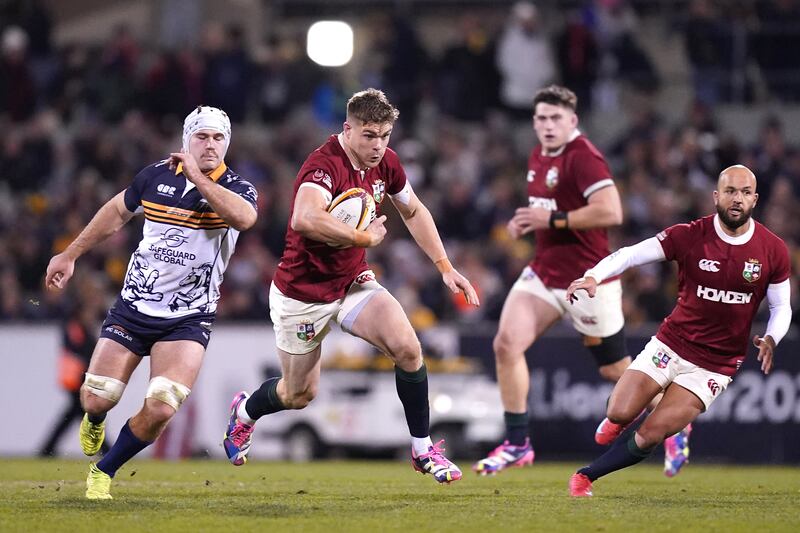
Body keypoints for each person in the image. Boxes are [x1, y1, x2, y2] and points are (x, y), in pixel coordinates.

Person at [222, 88, 479, 484]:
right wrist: (364, 239)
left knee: (409, 350)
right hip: (302, 293)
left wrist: (445, 266)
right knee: (298, 395)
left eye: (385, 136)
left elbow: (413, 210)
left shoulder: (387, 163)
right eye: (369, 135)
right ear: (348, 128)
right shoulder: (322, 166)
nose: (378, 146)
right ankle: (245, 412)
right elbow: (304, 218)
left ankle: (422, 449)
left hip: (353, 282)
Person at [44, 106, 258, 499]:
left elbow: (244, 219)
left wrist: (198, 178)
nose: (210, 144)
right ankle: (95, 419)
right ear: (186, 139)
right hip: (134, 307)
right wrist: (70, 254)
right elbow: (115, 213)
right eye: (202, 137)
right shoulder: (154, 176)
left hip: (188, 319)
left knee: (162, 407)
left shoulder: (237, 188)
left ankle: (103, 470)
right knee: (97, 396)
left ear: (227, 143)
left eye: (218, 138)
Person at [566, 165, 792, 497]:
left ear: (754, 200)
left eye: (745, 193)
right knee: (618, 409)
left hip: (715, 364)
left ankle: (585, 477)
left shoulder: (773, 250)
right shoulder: (689, 235)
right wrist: (593, 276)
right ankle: (617, 419)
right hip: (672, 344)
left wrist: (773, 337)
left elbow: (781, 307)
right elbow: (631, 255)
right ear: (716, 196)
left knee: (651, 432)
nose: (737, 199)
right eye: (730, 191)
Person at [473, 84, 631, 475]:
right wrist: (525, 220)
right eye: (541, 118)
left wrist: (552, 220)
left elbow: (611, 211)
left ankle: (675, 413)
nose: (547, 125)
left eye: (556, 118)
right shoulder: (538, 155)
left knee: (615, 372)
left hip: (587, 281)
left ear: (572, 121)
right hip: (544, 274)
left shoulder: (584, 158)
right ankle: (516, 444)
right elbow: (546, 209)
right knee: (506, 344)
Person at [38, 278, 110, 457]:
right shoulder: (75, 323)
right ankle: (108, 449)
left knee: (74, 414)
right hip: (77, 377)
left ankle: (47, 450)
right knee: (87, 413)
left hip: (82, 377)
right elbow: (75, 349)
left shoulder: (85, 323)